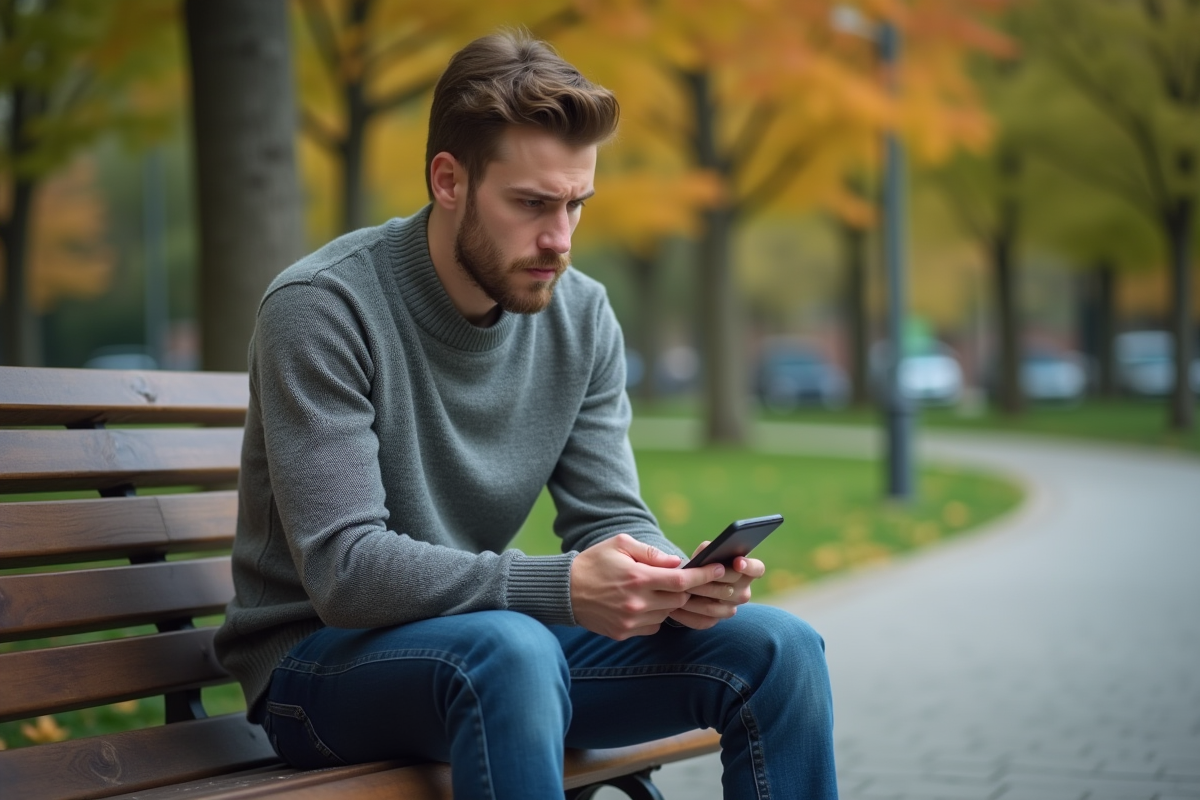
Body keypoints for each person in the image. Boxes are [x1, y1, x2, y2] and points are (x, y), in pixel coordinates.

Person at [215, 29, 837, 800]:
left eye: (577, 203)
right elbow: (346, 572)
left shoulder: (581, 316)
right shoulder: (323, 307)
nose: (561, 240)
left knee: (780, 648)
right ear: (449, 180)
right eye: (533, 204)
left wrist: (674, 578)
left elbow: (610, 513)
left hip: (493, 650)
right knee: (510, 650)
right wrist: (564, 588)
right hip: (318, 669)